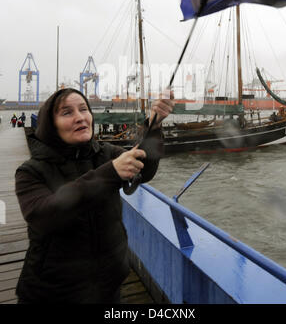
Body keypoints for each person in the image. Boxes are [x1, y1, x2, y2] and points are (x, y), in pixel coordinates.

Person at [15, 88, 174, 304]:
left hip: (108, 288)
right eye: (67, 112)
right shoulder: (30, 171)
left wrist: (154, 125)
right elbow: (45, 215)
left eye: (83, 109)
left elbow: (143, 168)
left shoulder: (106, 153)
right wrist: (110, 173)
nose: (80, 117)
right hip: (52, 293)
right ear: (51, 126)